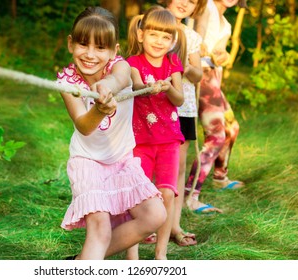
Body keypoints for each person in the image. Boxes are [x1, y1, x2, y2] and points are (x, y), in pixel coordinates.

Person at [57, 6, 166, 260]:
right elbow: (84, 125)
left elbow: (118, 79)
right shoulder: (67, 82)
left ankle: (81, 263)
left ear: (114, 50)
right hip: (88, 162)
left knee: (155, 216)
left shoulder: (121, 68)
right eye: (83, 44)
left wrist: (105, 86)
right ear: (70, 44)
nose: (90, 55)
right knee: (100, 229)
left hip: (121, 161)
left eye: (101, 48)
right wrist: (100, 108)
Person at [125, 5, 186, 260]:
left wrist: (167, 87)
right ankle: (132, 252)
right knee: (138, 196)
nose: (159, 41)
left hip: (169, 140)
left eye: (165, 37)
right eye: (153, 34)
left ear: (172, 41)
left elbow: (180, 98)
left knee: (167, 193)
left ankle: (161, 252)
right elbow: (137, 85)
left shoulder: (173, 63)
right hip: (140, 141)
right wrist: (149, 87)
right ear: (141, 35)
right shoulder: (133, 63)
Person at [184, 0, 247, 214]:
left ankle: (220, 177)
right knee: (216, 136)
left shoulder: (227, 24)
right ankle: (190, 195)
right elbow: (198, 36)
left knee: (232, 128)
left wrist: (225, 56)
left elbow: (220, 53)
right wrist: (202, 46)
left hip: (214, 77)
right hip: (200, 76)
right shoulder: (206, 6)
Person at [164, 0, 207, 246]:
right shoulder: (151, 26)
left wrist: (187, 65)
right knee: (149, 165)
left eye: (192, 1)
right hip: (153, 106)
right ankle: (147, 222)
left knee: (177, 168)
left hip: (183, 107)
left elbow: (198, 73)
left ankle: (173, 225)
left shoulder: (191, 36)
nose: (184, 2)